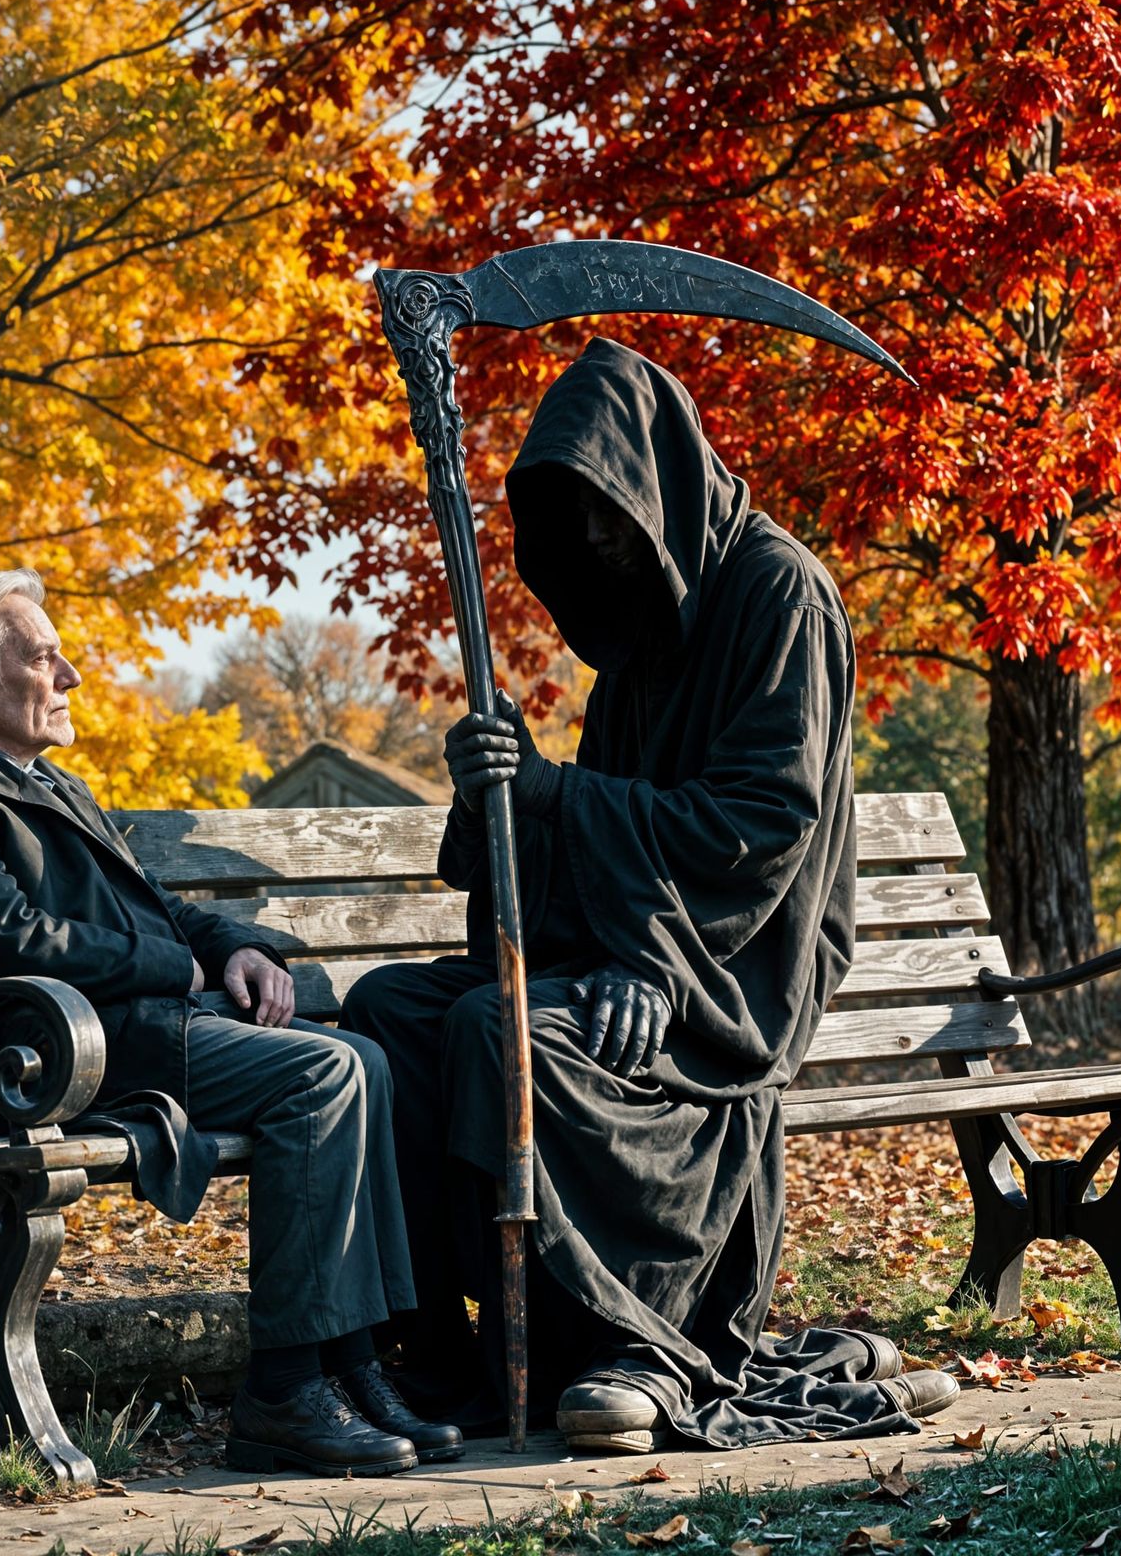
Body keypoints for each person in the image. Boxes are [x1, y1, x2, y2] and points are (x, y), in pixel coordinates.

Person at [340, 337, 959, 1454]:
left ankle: (634, 1337)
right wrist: (499, 796)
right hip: (640, 946)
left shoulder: (779, 592)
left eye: (606, 514)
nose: (592, 545)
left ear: (660, 479)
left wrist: (657, 967)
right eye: (568, 524)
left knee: (497, 1025)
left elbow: (760, 826)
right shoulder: (638, 626)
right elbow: (582, 827)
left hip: (735, 969)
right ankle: (436, 1343)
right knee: (389, 1012)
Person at [0, 569, 459, 1485]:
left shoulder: (44, 782)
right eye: (43, 658)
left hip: (104, 1036)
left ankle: (348, 1365)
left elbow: (154, 907)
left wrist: (232, 945)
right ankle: (285, 1387)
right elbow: (7, 943)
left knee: (363, 1055)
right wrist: (177, 968)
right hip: (25, 1060)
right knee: (322, 1074)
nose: (70, 676)